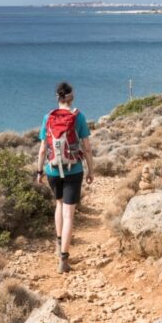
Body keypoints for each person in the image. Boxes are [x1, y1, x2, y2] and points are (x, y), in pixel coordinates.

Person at [36, 81, 94, 273]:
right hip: (73, 169)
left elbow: (43, 148)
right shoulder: (79, 117)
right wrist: (91, 170)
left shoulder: (48, 117)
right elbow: (86, 147)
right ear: (72, 97)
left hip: (52, 170)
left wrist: (39, 171)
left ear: (57, 97)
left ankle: (58, 243)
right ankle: (63, 259)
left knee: (59, 206)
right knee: (69, 214)